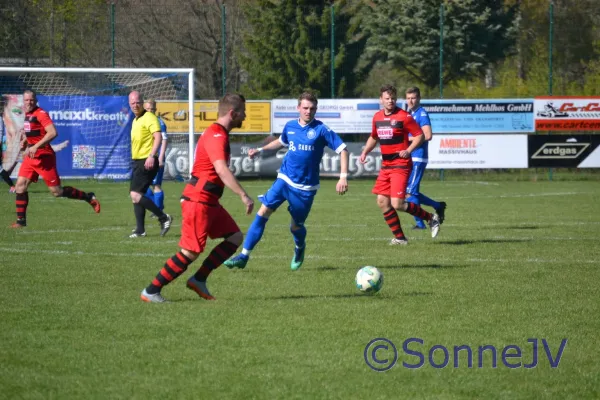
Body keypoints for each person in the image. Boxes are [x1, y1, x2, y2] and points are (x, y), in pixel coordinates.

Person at [140, 93, 254, 303]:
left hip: (210, 201)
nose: (244, 117)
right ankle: (151, 290)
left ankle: (199, 280)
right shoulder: (216, 135)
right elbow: (221, 169)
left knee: (235, 237)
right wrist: (243, 195)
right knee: (190, 251)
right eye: (243, 113)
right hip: (199, 200)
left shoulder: (219, 133)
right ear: (232, 113)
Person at [224, 91, 349, 271]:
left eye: (312, 108)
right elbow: (281, 142)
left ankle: (299, 247)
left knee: (296, 226)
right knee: (263, 211)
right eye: (305, 108)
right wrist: (260, 150)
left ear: (316, 109)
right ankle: (243, 256)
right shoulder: (290, 126)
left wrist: (342, 177)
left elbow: (343, 150)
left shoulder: (321, 130)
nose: (308, 111)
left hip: (305, 188)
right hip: (284, 179)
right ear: (298, 108)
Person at [359, 84, 440, 245]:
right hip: (386, 166)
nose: (390, 101)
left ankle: (431, 218)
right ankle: (400, 238)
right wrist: (365, 152)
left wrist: (408, 150)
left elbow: (420, 135)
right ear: (381, 100)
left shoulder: (404, 116)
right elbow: (374, 137)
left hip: (401, 165)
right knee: (382, 201)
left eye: (393, 98)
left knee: (397, 203)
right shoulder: (377, 117)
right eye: (387, 98)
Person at [10, 90, 100, 228]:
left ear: (36, 100)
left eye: (31, 100)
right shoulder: (28, 114)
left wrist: (36, 146)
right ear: (24, 101)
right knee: (20, 186)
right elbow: (36, 133)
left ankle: (88, 197)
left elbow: (53, 132)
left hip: (44, 157)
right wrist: (26, 141)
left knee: (57, 192)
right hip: (31, 157)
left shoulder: (41, 114)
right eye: (27, 100)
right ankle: (20, 222)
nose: (29, 102)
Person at [127, 91, 172, 238]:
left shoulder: (149, 117)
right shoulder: (136, 120)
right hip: (138, 161)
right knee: (136, 196)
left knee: (135, 194)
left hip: (146, 160)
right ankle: (140, 230)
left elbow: (158, 137)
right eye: (132, 103)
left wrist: (152, 156)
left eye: (137, 102)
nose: (135, 105)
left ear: (142, 102)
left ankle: (163, 217)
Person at [404, 87, 446, 229]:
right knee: (409, 191)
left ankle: (420, 223)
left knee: (410, 192)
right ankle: (437, 206)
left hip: (418, 157)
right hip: (410, 156)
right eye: (408, 98)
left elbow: (428, 135)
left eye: (413, 98)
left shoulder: (421, 113)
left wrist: (408, 139)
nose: (410, 101)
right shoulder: (410, 113)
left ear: (419, 98)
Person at [142, 99, 168, 216]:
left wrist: (161, 158)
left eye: (152, 109)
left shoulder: (159, 122)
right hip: (145, 157)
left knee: (156, 185)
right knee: (142, 186)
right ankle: (158, 207)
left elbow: (164, 140)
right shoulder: (142, 121)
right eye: (147, 109)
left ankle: (158, 211)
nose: (150, 111)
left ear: (155, 110)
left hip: (156, 157)